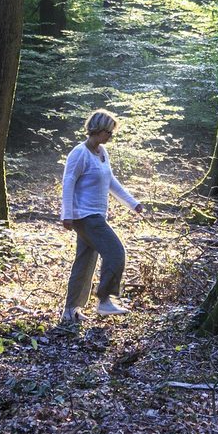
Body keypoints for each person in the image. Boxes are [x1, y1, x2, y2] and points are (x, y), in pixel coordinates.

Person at [59, 109, 144, 322]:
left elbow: (110, 181)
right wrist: (66, 214)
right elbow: (68, 182)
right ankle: (104, 301)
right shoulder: (79, 153)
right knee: (115, 253)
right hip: (85, 216)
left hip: (97, 214)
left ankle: (71, 311)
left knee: (84, 261)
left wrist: (133, 203)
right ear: (98, 130)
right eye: (109, 132)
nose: (110, 137)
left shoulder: (102, 152)